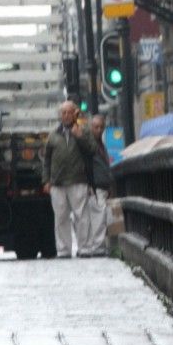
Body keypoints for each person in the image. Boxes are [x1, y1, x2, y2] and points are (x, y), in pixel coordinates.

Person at [43, 100, 96, 258]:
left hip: (78, 180)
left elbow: (93, 150)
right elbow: (46, 160)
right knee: (60, 217)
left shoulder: (83, 131)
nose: (66, 115)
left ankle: (85, 248)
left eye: (69, 112)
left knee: (82, 215)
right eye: (63, 112)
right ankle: (63, 250)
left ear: (75, 114)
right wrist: (46, 180)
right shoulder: (53, 135)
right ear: (60, 115)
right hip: (57, 183)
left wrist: (79, 136)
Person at [81, 114, 113, 257]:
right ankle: (97, 247)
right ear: (90, 127)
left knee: (100, 216)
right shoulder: (90, 145)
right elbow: (86, 165)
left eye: (101, 127)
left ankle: (97, 245)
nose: (99, 130)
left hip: (102, 185)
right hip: (95, 185)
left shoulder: (101, 145)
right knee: (98, 217)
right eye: (96, 127)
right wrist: (89, 185)